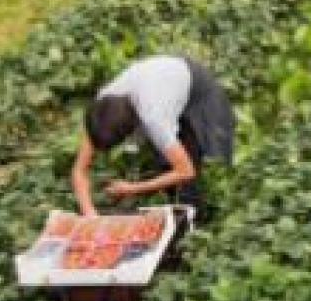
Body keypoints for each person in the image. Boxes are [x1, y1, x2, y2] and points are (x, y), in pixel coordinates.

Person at [72, 55, 234, 217]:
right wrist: (89, 212)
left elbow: (186, 171)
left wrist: (132, 188)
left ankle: (196, 222)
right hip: (160, 82)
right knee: (164, 163)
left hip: (197, 87)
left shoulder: (154, 119)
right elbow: (79, 170)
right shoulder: (101, 110)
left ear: (132, 129)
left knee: (193, 168)